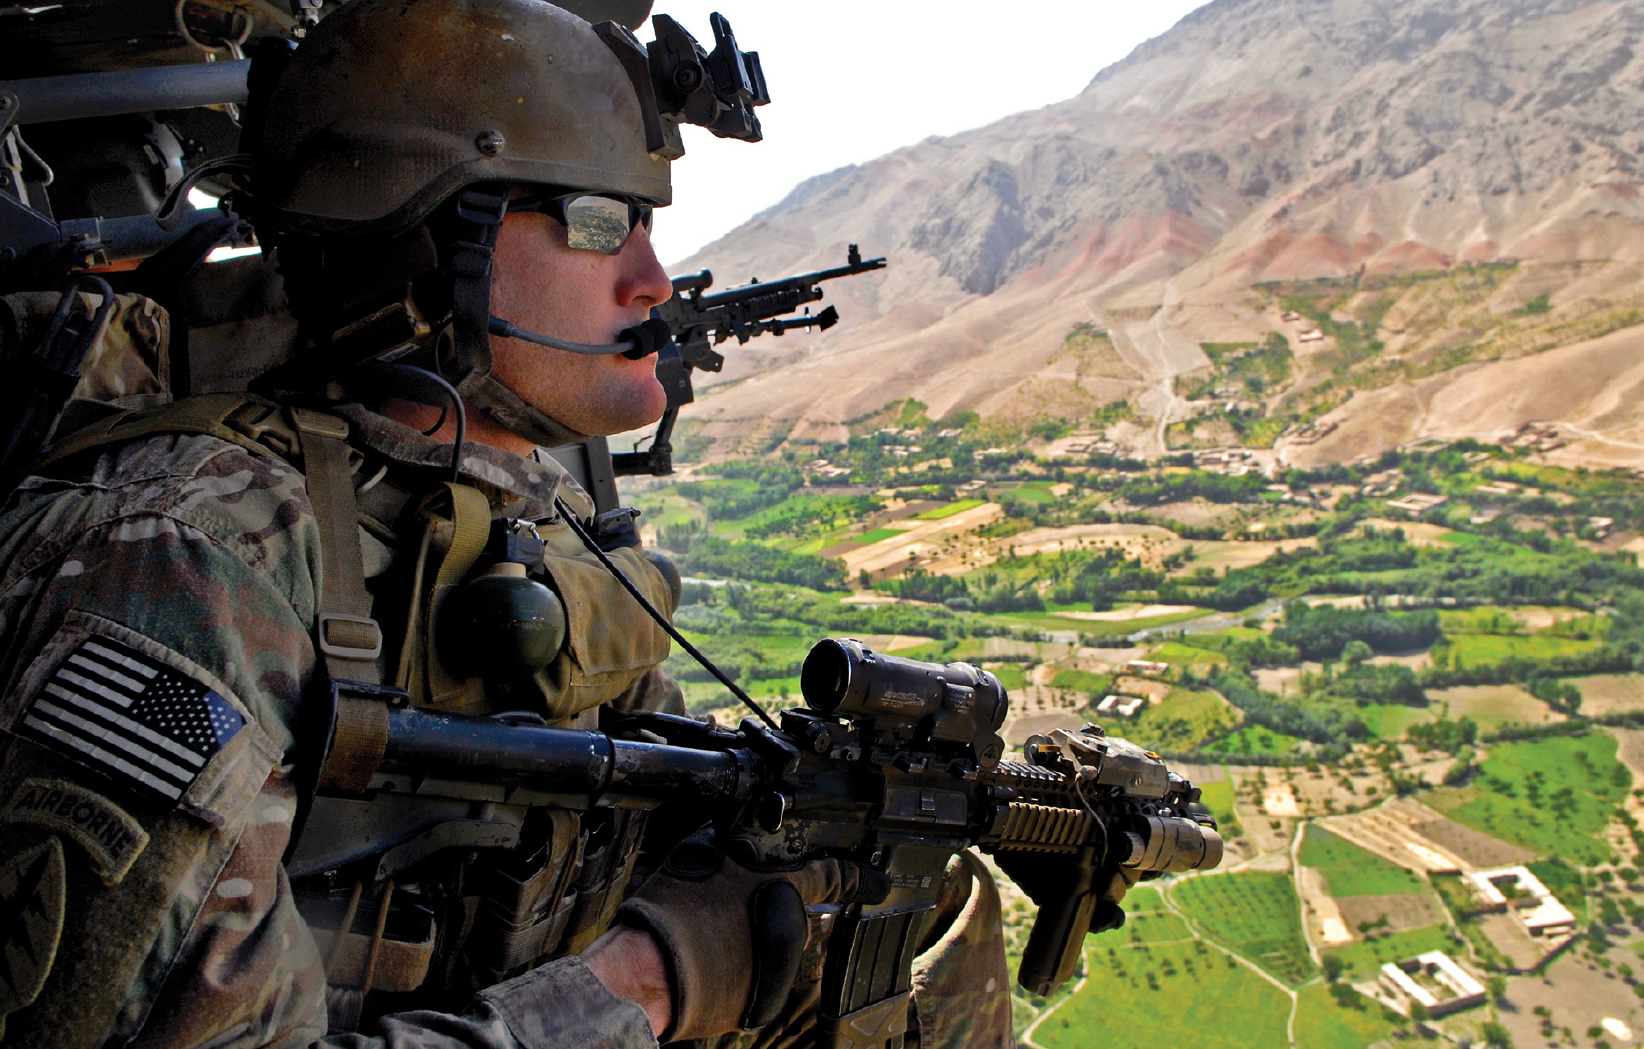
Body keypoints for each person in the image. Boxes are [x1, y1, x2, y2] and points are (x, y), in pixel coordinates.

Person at [0, 1, 1013, 1047]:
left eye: (649, 227)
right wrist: (652, 982)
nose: (653, 283)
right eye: (595, 222)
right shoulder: (184, 559)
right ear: (423, 241)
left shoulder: (519, 528)